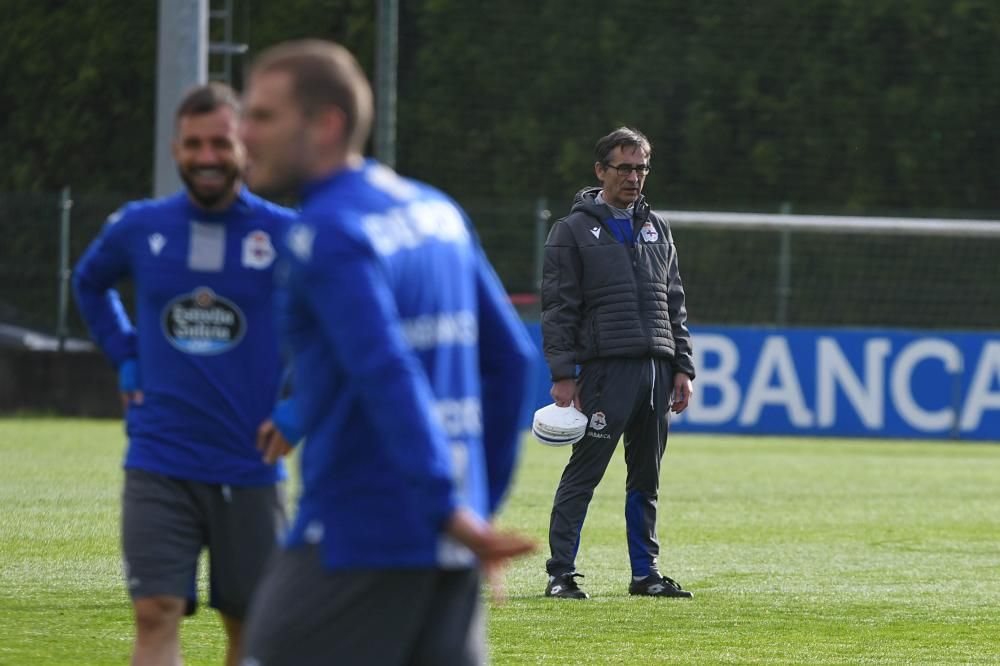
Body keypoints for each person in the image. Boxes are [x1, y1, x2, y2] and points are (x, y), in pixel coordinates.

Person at [236, 39, 538, 666]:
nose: (244, 134)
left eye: (263, 116)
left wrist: (443, 507)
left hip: (355, 534)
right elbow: (511, 358)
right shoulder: (437, 211)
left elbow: (385, 370)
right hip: (448, 547)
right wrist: (471, 510)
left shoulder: (325, 234)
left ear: (327, 123)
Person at [73, 82, 300, 666]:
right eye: (194, 144)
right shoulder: (138, 227)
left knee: (249, 626)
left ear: (244, 147)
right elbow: (89, 282)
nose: (206, 157)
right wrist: (125, 353)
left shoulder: (286, 235)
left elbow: (338, 326)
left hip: (251, 462)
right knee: (154, 612)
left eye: (220, 143)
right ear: (175, 149)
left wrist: (301, 403)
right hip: (158, 459)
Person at [541, 127, 696, 600]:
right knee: (584, 473)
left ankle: (644, 573)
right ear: (600, 170)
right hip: (607, 370)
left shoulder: (657, 227)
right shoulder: (570, 231)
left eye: (641, 167)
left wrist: (682, 366)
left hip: (656, 368)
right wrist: (564, 375)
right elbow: (559, 307)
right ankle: (560, 573)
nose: (634, 177)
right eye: (625, 167)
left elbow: (675, 301)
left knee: (646, 477)